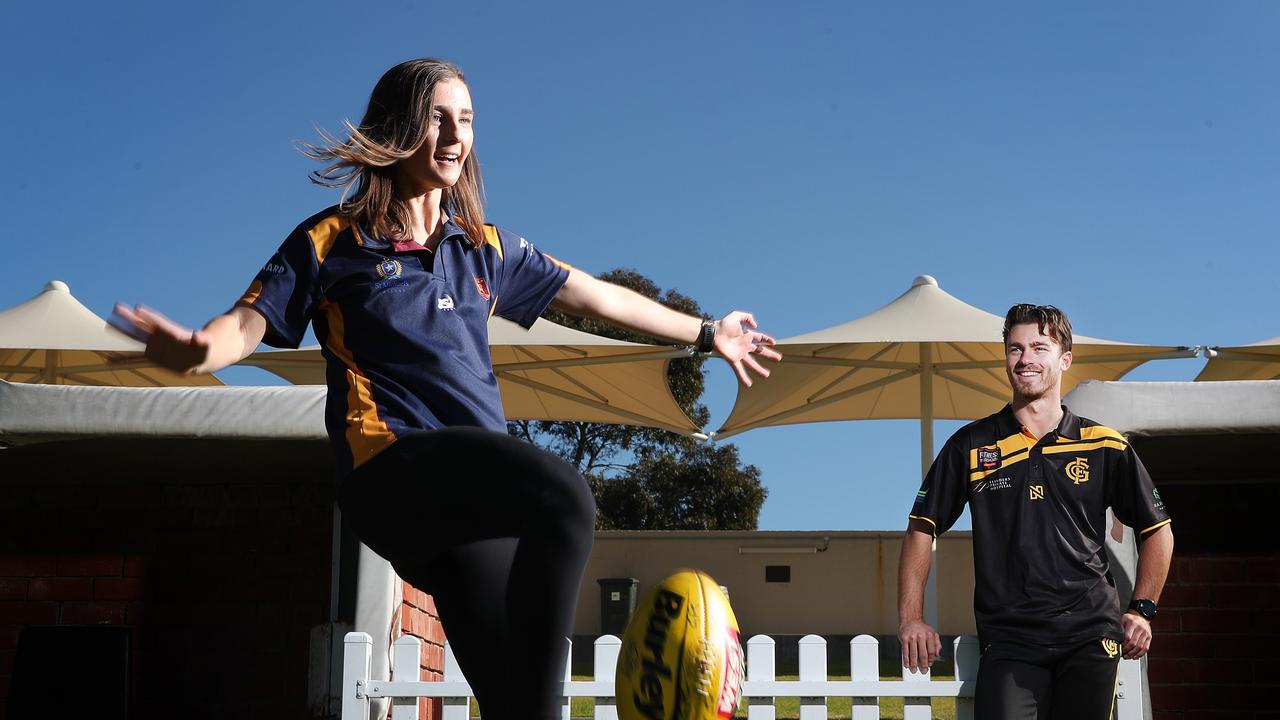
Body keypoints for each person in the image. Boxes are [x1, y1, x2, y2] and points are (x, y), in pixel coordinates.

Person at [111, 58, 780, 720]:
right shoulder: (335, 240)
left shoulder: (484, 248)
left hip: (474, 504)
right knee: (566, 496)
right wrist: (203, 350)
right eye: (438, 118)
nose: (456, 135)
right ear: (401, 128)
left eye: (466, 120)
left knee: (509, 694)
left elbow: (593, 295)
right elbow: (247, 322)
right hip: (390, 467)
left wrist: (704, 332)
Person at [897, 303, 1173, 720]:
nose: (1025, 359)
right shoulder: (970, 445)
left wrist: (1142, 609)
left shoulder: (1105, 445)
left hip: (1090, 634)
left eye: (1039, 348)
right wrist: (911, 619)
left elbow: (1158, 530)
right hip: (1009, 639)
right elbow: (921, 529)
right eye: (1015, 349)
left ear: (1064, 359)